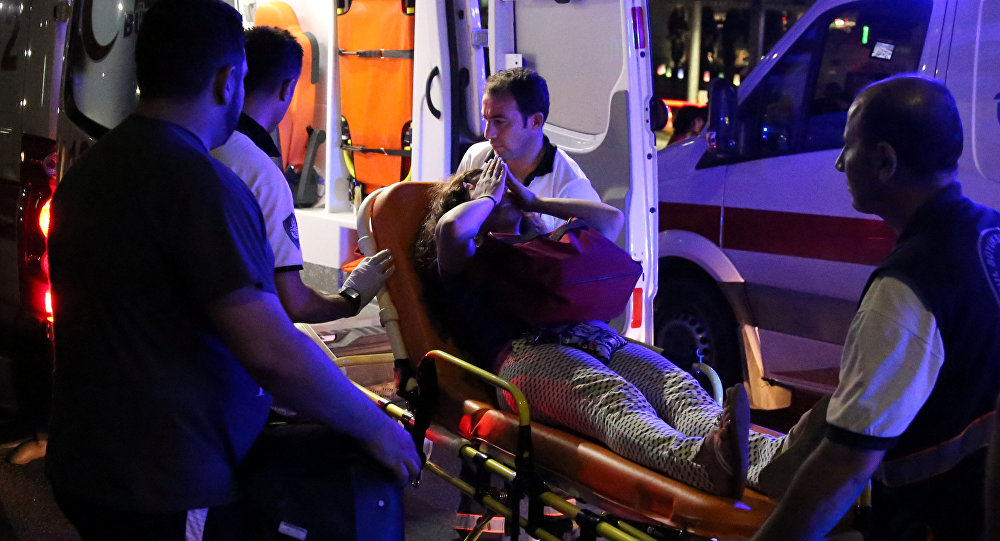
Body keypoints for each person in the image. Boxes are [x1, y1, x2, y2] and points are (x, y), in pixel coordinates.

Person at [45, 1, 419, 539]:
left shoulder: (89, 172)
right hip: (166, 481)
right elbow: (271, 351)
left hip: (87, 462)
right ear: (227, 81)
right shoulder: (204, 187)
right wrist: (378, 428)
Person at [414, 158, 785, 499]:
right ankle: (699, 464)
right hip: (526, 355)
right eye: (486, 184)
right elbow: (451, 228)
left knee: (679, 389)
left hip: (598, 340)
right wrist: (486, 198)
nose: (499, 186)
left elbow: (611, 220)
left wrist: (533, 200)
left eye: (501, 182)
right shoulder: (466, 258)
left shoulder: (546, 244)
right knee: (613, 397)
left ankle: (775, 460)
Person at [752, 75, 1000, 541]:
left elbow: (844, 467)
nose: (840, 162)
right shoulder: (990, 233)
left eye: (848, 146)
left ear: (884, 161)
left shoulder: (907, 288)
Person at [212, 26, 390, 323]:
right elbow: (295, 304)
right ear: (287, 89)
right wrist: (352, 297)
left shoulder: (200, 144)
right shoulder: (261, 175)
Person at [457, 67, 601, 233]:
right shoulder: (475, 156)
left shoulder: (572, 186)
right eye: (486, 119)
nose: (488, 133)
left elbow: (602, 236)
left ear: (536, 121)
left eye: (499, 121)